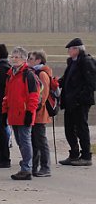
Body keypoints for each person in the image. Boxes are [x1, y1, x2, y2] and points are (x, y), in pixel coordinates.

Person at [3, 47, 40, 180]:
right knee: (20, 142)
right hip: (14, 114)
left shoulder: (28, 75)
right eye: (12, 56)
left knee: (25, 141)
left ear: (24, 59)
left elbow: (34, 95)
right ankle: (27, 164)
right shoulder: (10, 74)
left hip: (24, 113)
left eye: (16, 57)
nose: (13, 59)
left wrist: (30, 112)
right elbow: (7, 95)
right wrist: (4, 111)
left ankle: (27, 168)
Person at [59, 38, 96, 166]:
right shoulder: (72, 62)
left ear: (77, 49)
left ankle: (86, 156)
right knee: (69, 129)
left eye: (70, 49)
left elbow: (91, 83)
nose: (68, 51)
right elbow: (66, 79)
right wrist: (54, 83)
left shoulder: (86, 61)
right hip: (70, 102)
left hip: (80, 102)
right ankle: (74, 154)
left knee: (81, 128)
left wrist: (80, 98)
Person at [28, 50, 53, 177]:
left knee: (41, 141)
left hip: (40, 113)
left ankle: (45, 167)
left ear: (39, 60)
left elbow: (43, 94)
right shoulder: (35, 72)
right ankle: (35, 166)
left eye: (31, 59)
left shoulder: (42, 74)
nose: (29, 61)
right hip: (35, 112)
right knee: (34, 141)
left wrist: (35, 108)